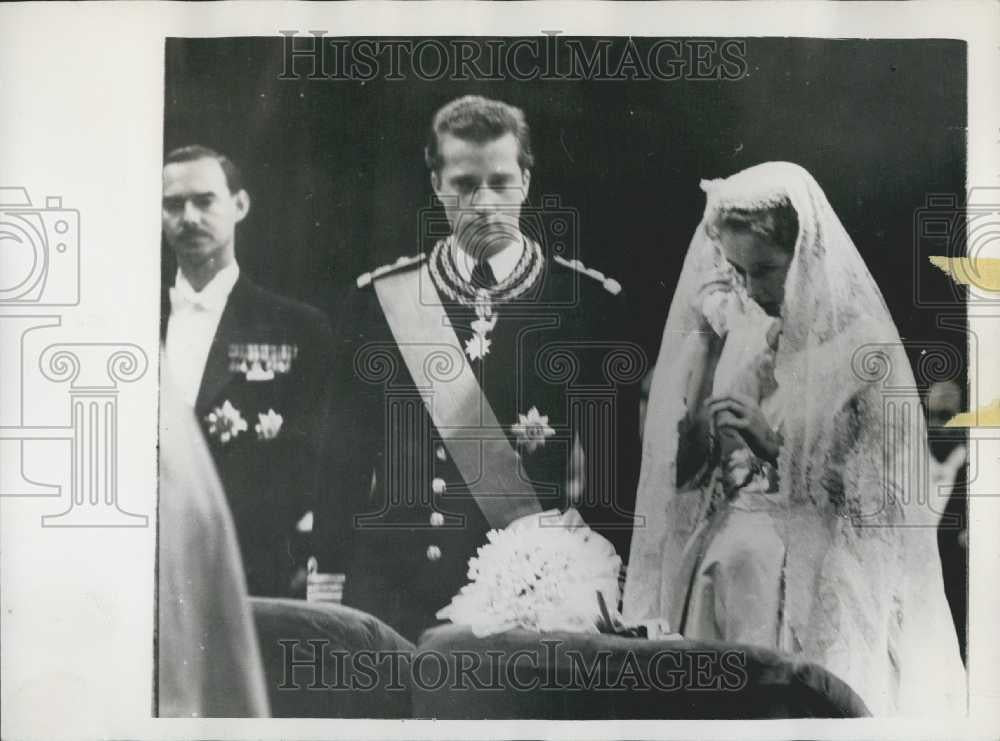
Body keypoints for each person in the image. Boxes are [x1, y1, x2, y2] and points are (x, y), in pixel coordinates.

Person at [623, 162, 965, 715]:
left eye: (767, 270)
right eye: (738, 272)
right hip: (723, 577)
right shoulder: (742, 332)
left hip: (819, 575)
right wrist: (707, 353)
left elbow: (888, 504)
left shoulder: (866, 351)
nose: (753, 290)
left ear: (806, 254)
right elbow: (686, 478)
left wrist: (775, 447)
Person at [311, 95, 643, 641]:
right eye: (464, 184)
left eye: (500, 182)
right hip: (395, 594)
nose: (484, 203)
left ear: (527, 182)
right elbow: (339, 466)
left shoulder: (585, 302)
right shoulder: (377, 303)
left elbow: (613, 478)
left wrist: (605, 593)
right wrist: (329, 588)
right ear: (437, 183)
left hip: (531, 600)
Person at [161, 145, 335, 597]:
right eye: (173, 204)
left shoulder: (296, 328)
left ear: (240, 205)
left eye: (205, 200)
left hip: (249, 569)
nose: (190, 217)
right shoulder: (128, 320)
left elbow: (310, 461)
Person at [927, 379, 968, 662]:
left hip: (955, 558)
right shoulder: (918, 451)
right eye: (932, 415)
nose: (936, 425)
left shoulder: (971, 460)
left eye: (945, 416)